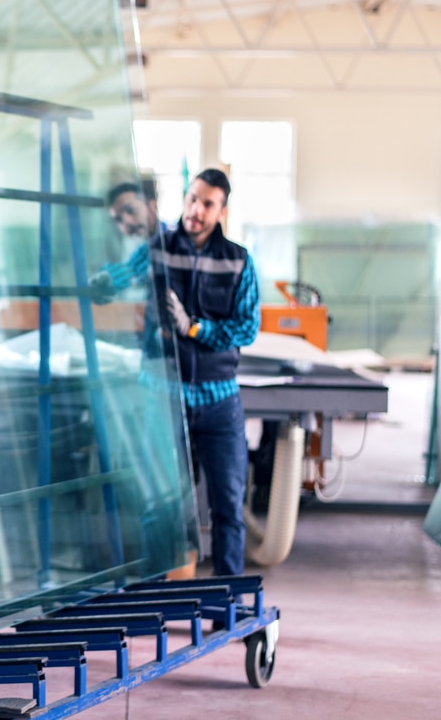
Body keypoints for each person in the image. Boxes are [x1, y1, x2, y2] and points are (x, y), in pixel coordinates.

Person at [95, 169, 259, 579]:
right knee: (160, 506)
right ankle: (157, 601)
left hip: (219, 403)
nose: (195, 210)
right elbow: (124, 274)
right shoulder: (158, 248)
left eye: (207, 204)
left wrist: (193, 326)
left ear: (222, 211)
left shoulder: (239, 261)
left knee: (227, 506)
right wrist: (99, 282)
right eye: (191, 199)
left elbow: (246, 328)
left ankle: (229, 604)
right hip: (163, 398)